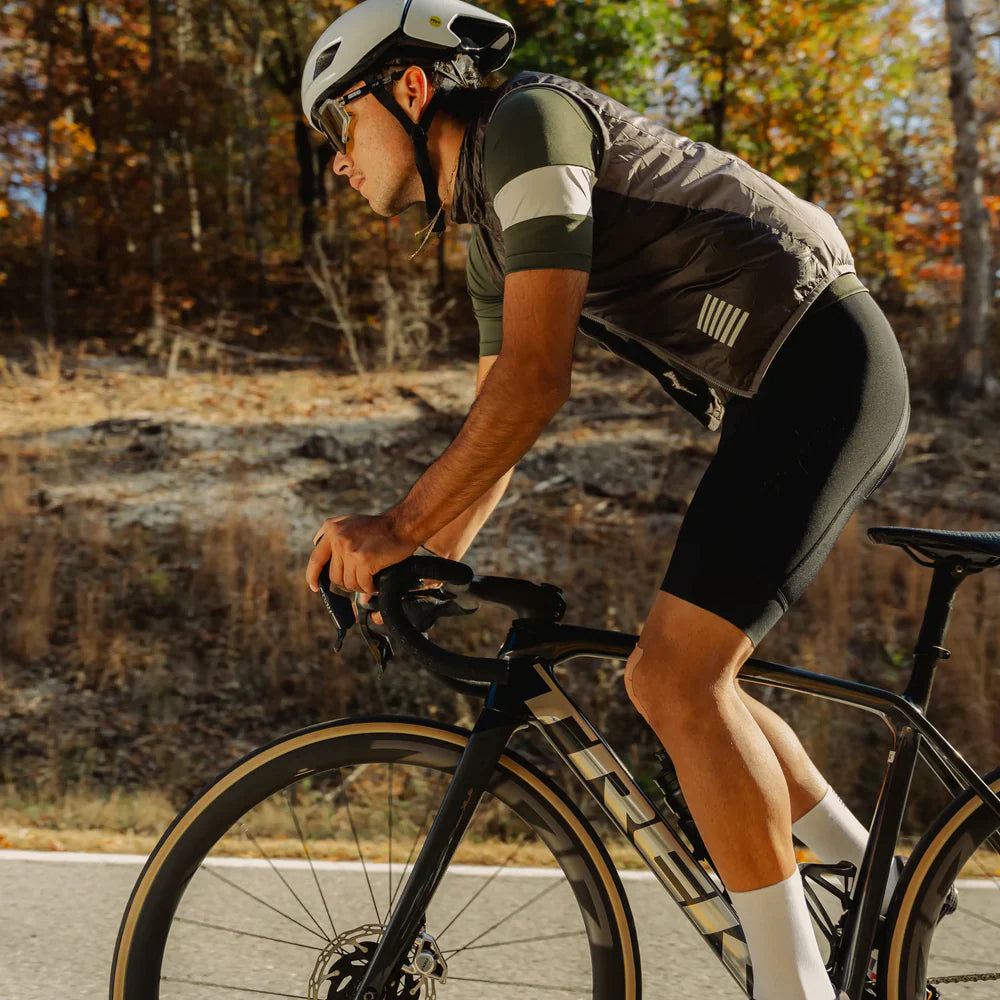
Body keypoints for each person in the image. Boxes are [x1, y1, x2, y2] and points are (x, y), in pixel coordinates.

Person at [301, 2, 910, 997]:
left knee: (677, 679)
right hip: (779, 392)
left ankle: (794, 985)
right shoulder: (488, 230)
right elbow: (500, 425)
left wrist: (400, 527)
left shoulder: (527, 126)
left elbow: (536, 380)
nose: (337, 159)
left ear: (410, 89)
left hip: (823, 365)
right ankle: (887, 888)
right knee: (671, 679)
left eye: (340, 122)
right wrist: (425, 559)